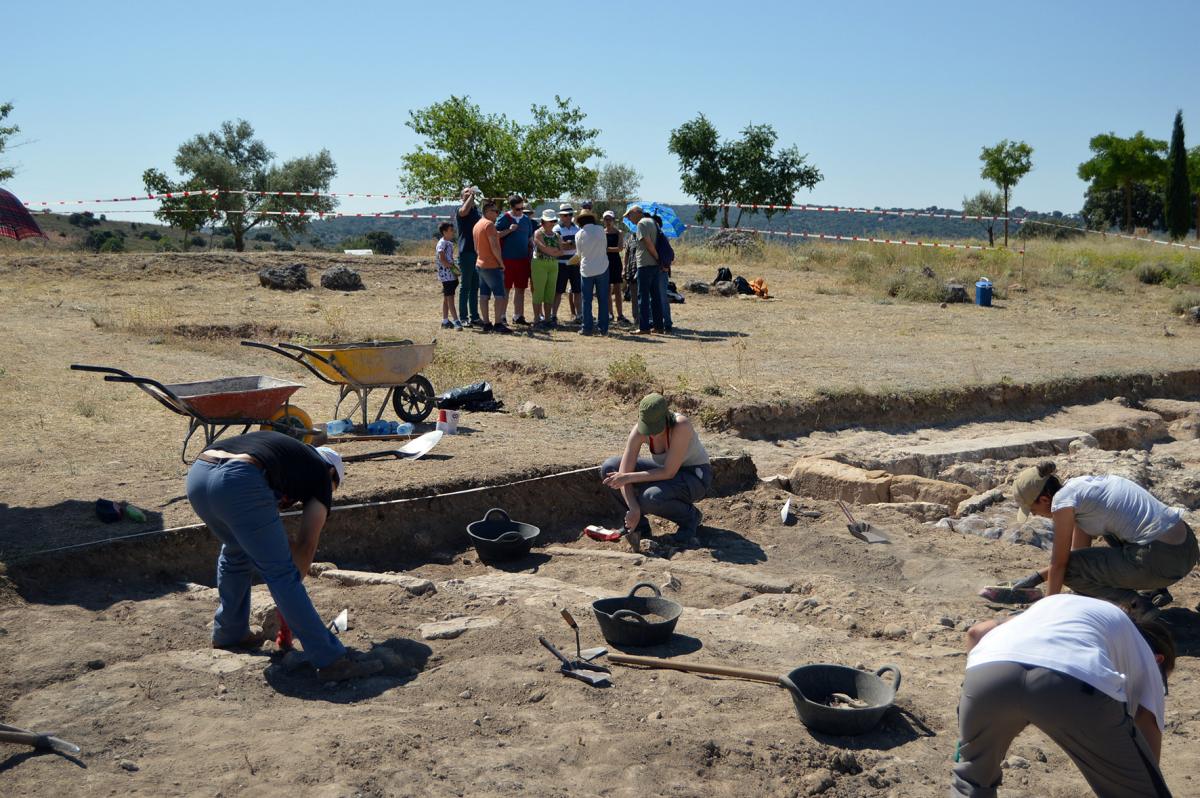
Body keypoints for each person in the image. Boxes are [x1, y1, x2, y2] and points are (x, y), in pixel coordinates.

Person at [186, 431, 382, 681]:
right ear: (332, 474)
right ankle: (330, 659)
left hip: (199, 476)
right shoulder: (321, 475)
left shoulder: (287, 457)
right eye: (333, 488)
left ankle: (230, 633)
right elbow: (306, 545)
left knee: (236, 550)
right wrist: (289, 600)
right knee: (281, 573)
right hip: (239, 479)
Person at [951, 593, 1175, 797]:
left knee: (971, 780)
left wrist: (976, 715)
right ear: (1159, 660)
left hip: (987, 670)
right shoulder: (1146, 657)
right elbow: (1146, 747)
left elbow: (976, 632)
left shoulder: (1054, 604)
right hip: (1074, 679)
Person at [996, 462, 1198, 620]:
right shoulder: (1082, 490)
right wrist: (1038, 578)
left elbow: (1062, 565)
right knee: (1113, 534)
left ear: (1044, 499)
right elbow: (1078, 554)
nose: (1036, 514)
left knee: (1071, 571)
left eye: (1033, 510)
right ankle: (1155, 589)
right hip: (1187, 549)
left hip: (1160, 560)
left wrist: (1047, 612)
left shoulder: (1062, 504)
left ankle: (1137, 604)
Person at [600, 393, 712, 548]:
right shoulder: (639, 431)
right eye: (648, 428)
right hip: (666, 472)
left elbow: (668, 472)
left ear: (666, 418)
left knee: (651, 497)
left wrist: (627, 477)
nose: (651, 433)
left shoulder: (681, 426)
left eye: (656, 428)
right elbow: (622, 473)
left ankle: (690, 519)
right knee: (610, 468)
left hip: (694, 476)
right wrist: (633, 508)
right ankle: (639, 527)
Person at [495, 194, 535, 326]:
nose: (520, 211)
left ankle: (518, 316)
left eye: (522, 208)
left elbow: (529, 238)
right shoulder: (504, 218)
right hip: (507, 259)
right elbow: (495, 235)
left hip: (523, 259)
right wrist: (509, 230)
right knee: (505, 289)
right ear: (511, 207)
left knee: (520, 289)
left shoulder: (526, 220)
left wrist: (534, 248)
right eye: (518, 209)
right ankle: (501, 316)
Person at [624, 205, 664, 334]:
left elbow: (648, 243)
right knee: (655, 297)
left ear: (636, 213)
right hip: (654, 265)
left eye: (629, 215)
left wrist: (658, 257)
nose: (629, 219)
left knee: (643, 297)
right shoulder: (653, 222)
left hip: (645, 264)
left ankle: (644, 327)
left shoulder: (641, 224)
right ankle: (658, 326)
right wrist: (658, 260)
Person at [472, 200, 510, 334]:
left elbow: (476, 247)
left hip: (480, 264)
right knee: (500, 295)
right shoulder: (489, 225)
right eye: (495, 211)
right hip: (491, 265)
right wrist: (501, 262)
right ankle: (498, 323)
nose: (497, 214)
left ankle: (487, 323)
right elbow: (494, 245)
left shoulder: (477, 225)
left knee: (483, 294)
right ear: (487, 212)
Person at [574, 208, 609, 336]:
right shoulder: (600, 230)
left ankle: (587, 327)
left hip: (586, 269)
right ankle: (603, 328)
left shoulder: (579, 234)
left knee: (586, 300)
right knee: (603, 299)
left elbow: (579, 254)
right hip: (602, 267)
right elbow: (604, 247)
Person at [531, 209, 563, 330]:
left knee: (550, 292)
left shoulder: (557, 235)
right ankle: (536, 319)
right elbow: (544, 248)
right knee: (539, 292)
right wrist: (554, 251)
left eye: (553, 221)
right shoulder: (538, 233)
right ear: (543, 221)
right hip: (539, 264)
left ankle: (548, 319)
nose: (552, 223)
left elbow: (561, 251)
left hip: (553, 265)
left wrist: (553, 251)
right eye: (550, 221)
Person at [455, 187, 482, 327]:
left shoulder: (476, 211)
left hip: (477, 252)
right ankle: (463, 317)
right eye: (466, 192)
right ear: (461, 197)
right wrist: (471, 195)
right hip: (465, 252)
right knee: (465, 285)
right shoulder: (460, 211)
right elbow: (464, 210)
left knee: (475, 285)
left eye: (470, 191)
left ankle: (475, 316)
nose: (469, 193)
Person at [552, 204, 581, 326]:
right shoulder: (556, 229)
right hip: (561, 264)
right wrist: (572, 243)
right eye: (561, 215)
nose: (561, 217)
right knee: (558, 291)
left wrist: (567, 243)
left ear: (570, 216)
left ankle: (579, 315)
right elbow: (557, 244)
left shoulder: (578, 229)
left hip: (574, 263)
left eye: (564, 215)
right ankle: (553, 315)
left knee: (577, 291)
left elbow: (580, 244)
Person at [603, 210, 629, 325]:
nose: (608, 221)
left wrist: (606, 249)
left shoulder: (619, 232)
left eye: (610, 219)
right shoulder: (602, 233)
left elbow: (620, 248)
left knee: (617, 289)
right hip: (604, 262)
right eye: (606, 219)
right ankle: (610, 314)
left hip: (615, 261)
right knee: (607, 289)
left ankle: (620, 314)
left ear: (613, 220)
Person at [434, 223, 462, 330]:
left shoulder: (448, 243)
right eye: (451, 230)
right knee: (450, 298)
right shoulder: (442, 243)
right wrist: (450, 266)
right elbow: (441, 257)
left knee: (446, 298)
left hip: (451, 275)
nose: (453, 232)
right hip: (446, 276)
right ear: (444, 232)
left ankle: (445, 321)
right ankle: (456, 321)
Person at [653, 214, 676, 333]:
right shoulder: (661, 237)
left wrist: (664, 265)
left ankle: (666, 323)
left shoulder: (660, 237)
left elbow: (670, 255)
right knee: (661, 298)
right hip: (660, 270)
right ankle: (663, 323)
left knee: (661, 298)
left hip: (660, 270)